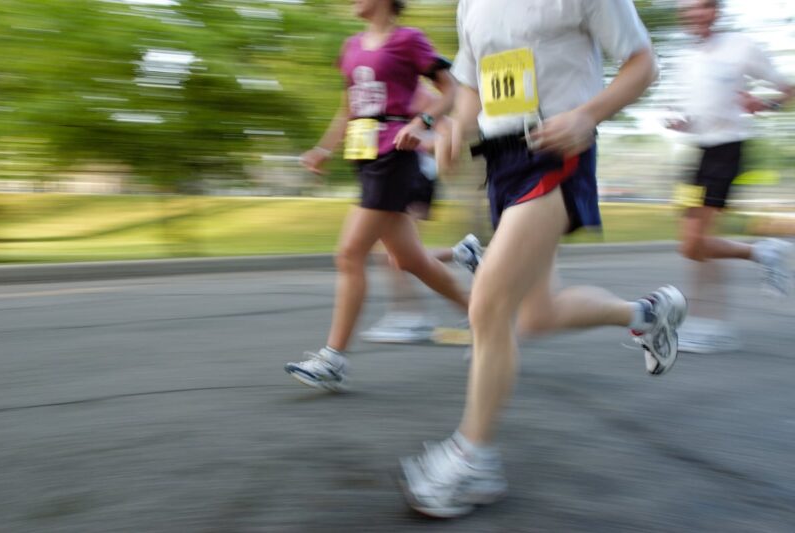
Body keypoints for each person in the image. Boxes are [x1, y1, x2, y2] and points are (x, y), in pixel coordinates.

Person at [399, 0, 687, 518]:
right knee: (537, 312)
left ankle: (473, 459)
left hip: (559, 149)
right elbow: (470, 85)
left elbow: (643, 63)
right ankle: (647, 314)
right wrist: (452, 131)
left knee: (488, 305)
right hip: (502, 162)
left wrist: (587, 115)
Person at [285, 0, 469, 391]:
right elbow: (348, 108)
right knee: (412, 260)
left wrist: (424, 122)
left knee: (349, 253)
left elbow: (450, 89)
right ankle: (488, 320)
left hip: (395, 155)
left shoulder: (409, 40)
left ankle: (333, 358)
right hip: (363, 155)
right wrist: (324, 148)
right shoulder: (351, 46)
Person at [667, 0, 795, 354]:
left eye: (702, 7)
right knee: (690, 246)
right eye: (688, 9)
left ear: (716, 11)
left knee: (699, 239)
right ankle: (761, 253)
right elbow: (688, 109)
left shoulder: (741, 46)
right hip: (697, 154)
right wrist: (679, 120)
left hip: (727, 150)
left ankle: (710, 325)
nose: (694, 14)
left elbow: (788, 90)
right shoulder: (683, 58)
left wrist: (764, 104)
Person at [361, 84, 483, 345]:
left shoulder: (416, 90)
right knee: (398, 254)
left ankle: (411, 317)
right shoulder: (384, 89)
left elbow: (446, 130)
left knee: (395, 255)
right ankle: (461, 255)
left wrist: (425, 144)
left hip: (416, 174)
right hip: (396, 174)